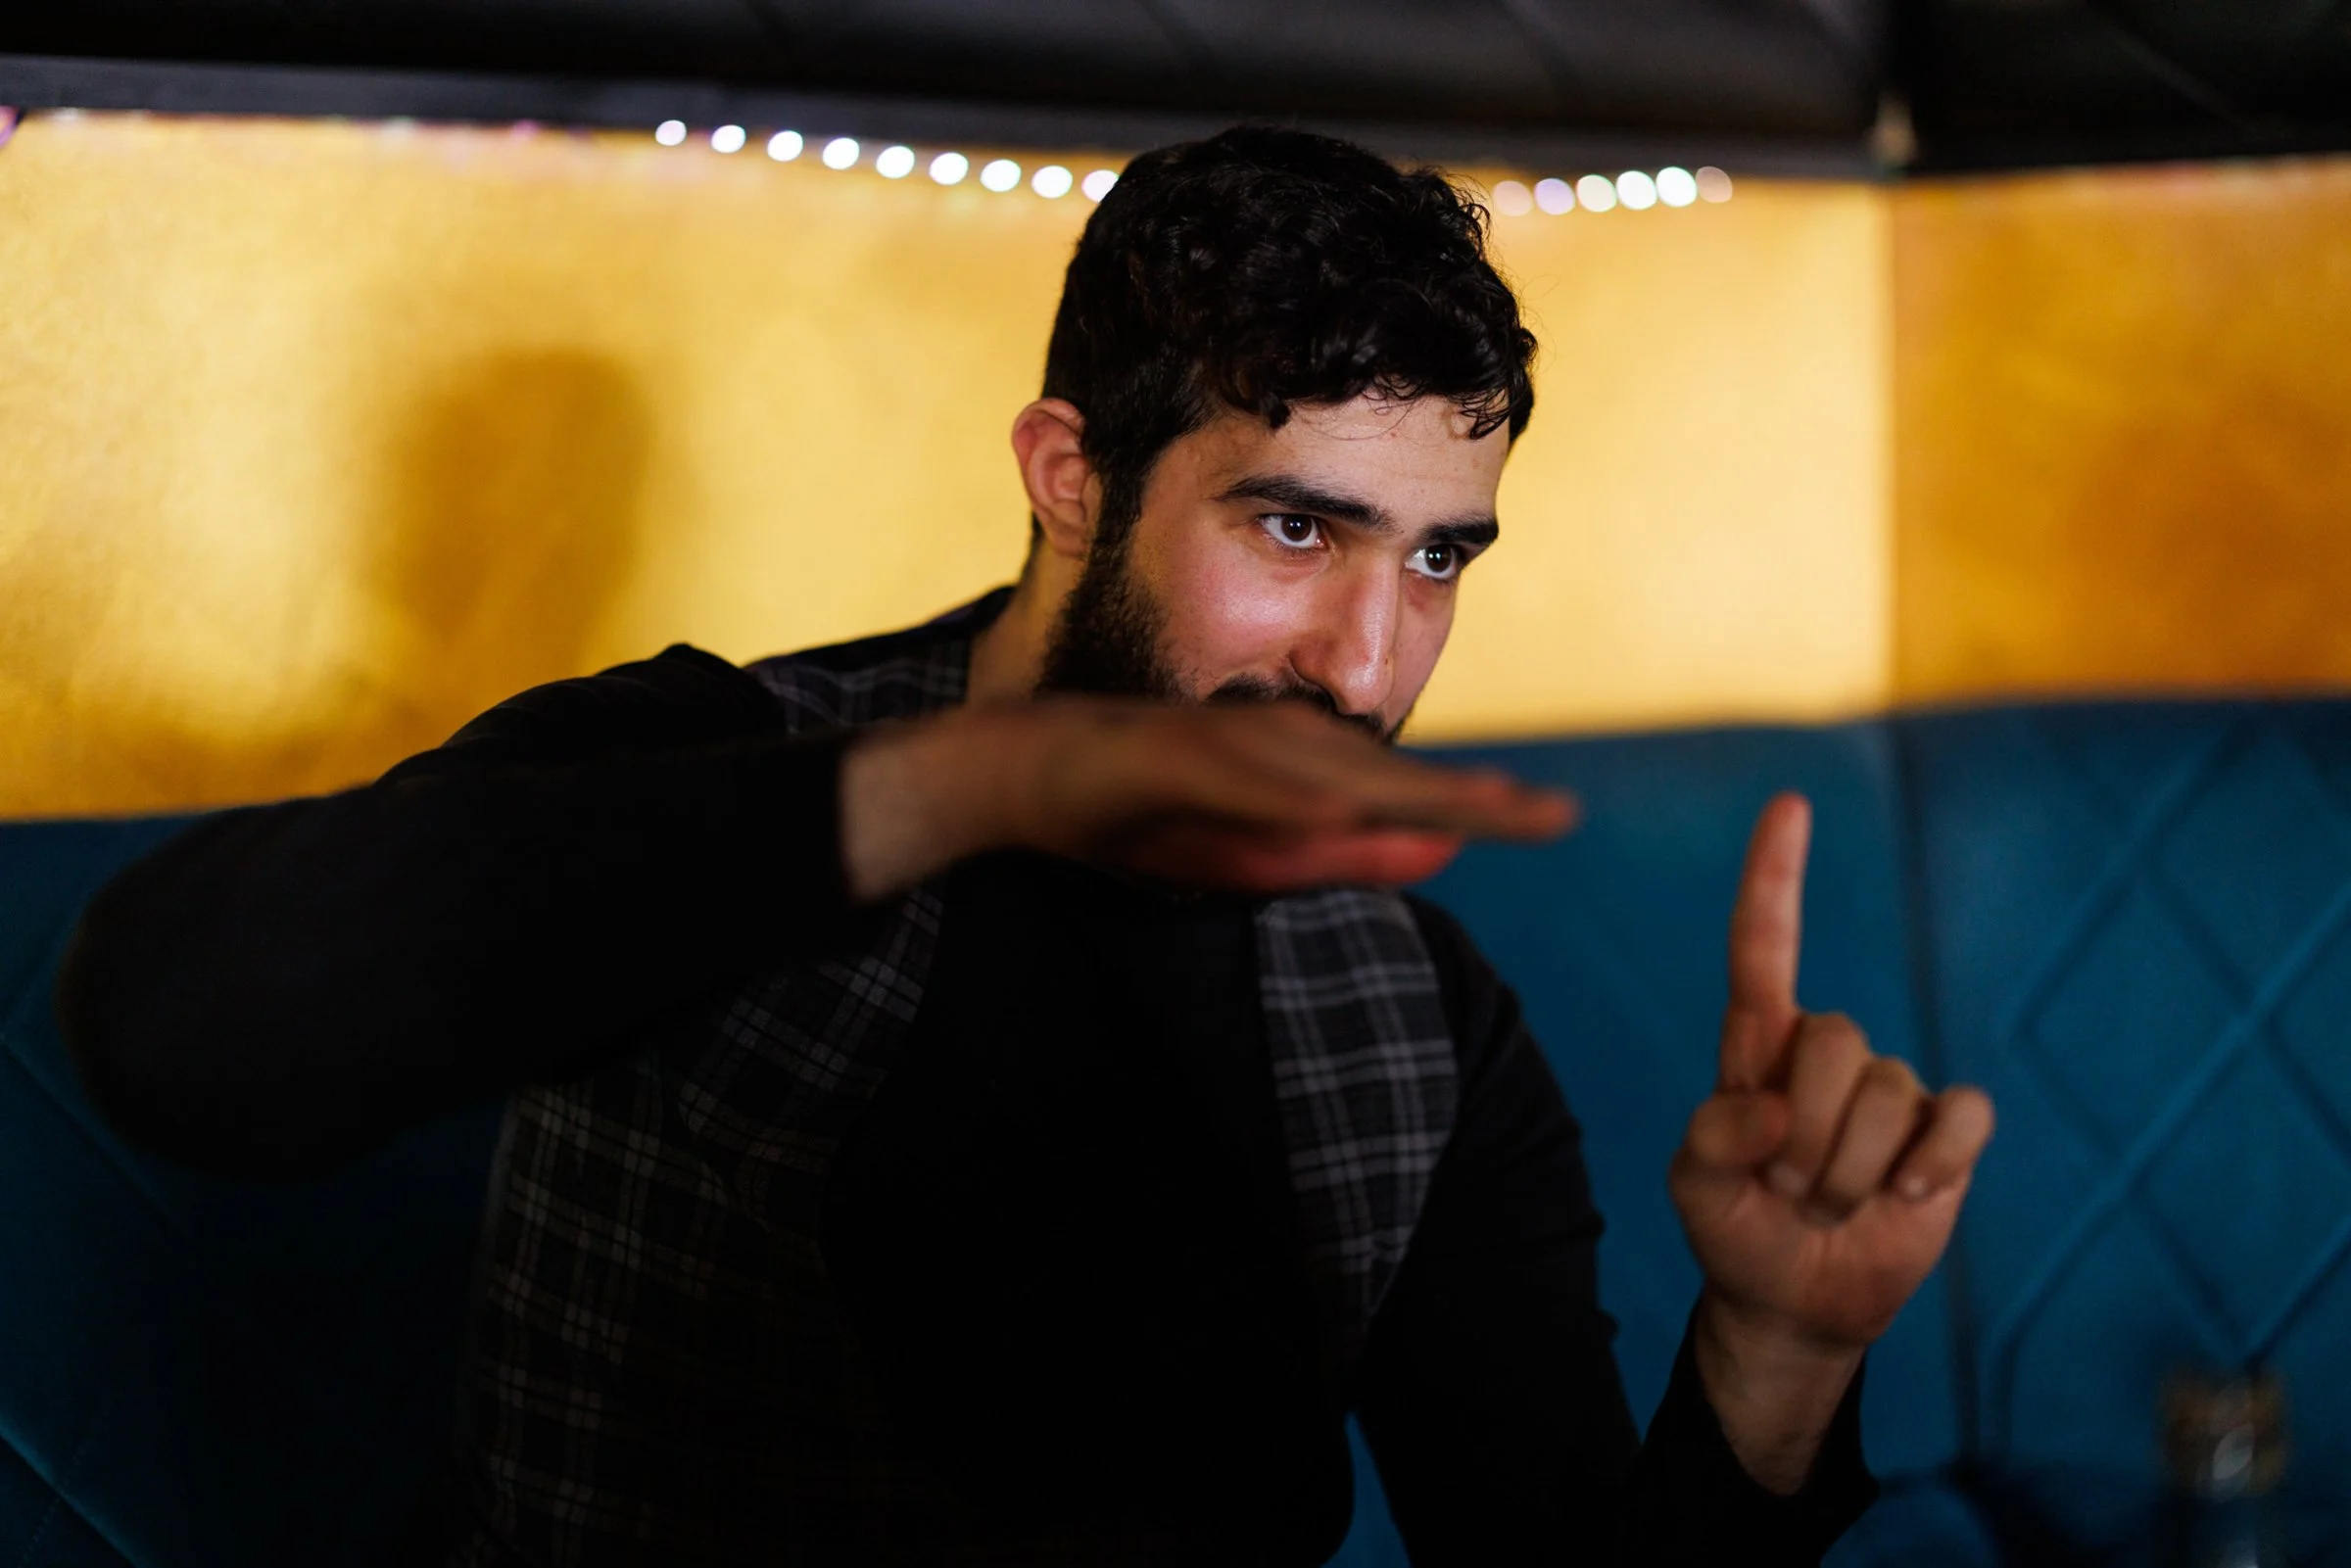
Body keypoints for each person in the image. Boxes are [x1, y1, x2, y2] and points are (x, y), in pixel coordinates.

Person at [60, 126, 1993, 1566]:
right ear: (1071, 479)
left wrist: (1774, 1348)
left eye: (1434, 558)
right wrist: (971, 786)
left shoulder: (1409, 1008)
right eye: (1297, 531)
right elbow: (168, 1032)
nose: (1371, 658)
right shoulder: (708, 764)